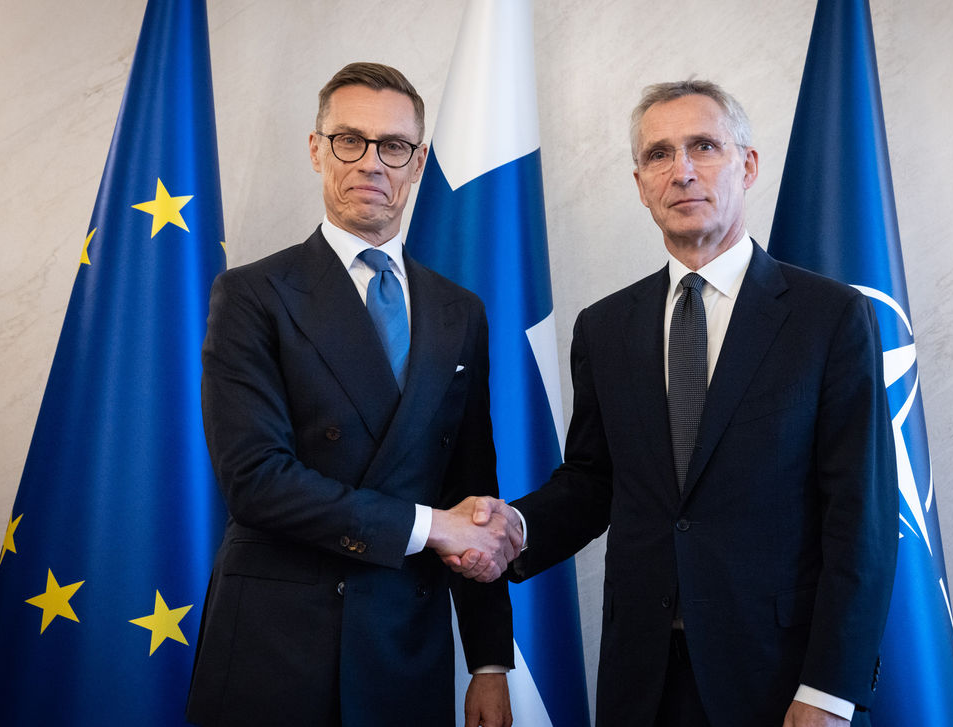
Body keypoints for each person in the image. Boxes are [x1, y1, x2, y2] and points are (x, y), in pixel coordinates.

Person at [451, 80, 898, 726]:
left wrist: (829, 690)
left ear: (747, 165)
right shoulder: (605, 327)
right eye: (659, 154)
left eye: (703, 146)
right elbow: (593, 482)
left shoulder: (830, 319)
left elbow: (863, 521)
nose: (682, 170)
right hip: (642, 676)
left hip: (778, 678)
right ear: (640, 183)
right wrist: (513, 528)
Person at [187, 62, 521, 727]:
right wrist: (431, 526)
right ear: (317, 149)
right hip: (277, 646)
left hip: (403, 640)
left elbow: (472, 488)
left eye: (393, 145)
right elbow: (255, 480)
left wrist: (488, 662)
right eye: (349, 140)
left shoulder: (461, 312)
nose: (371, 161)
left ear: (419, 160)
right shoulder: (252, 295)